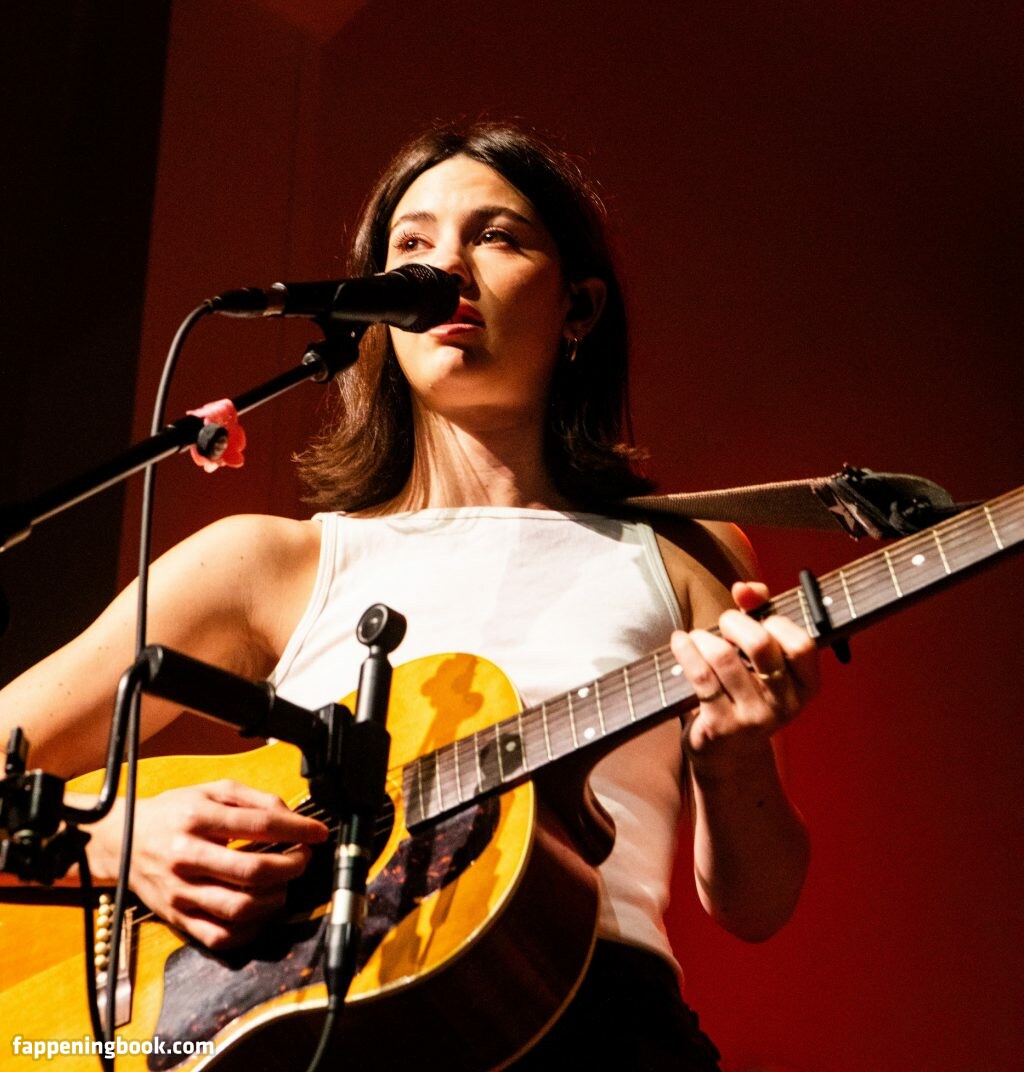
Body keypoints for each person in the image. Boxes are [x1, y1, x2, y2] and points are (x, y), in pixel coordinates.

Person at [0, 122, 818, 1069]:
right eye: (413, 244)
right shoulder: (270, 564)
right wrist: (114, 838)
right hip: (315, 1034)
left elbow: (756, 908)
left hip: (599, 1023)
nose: (447, 267)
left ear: (579, 306)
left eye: (497, 236)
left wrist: (735, 759)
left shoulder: (683, 552)